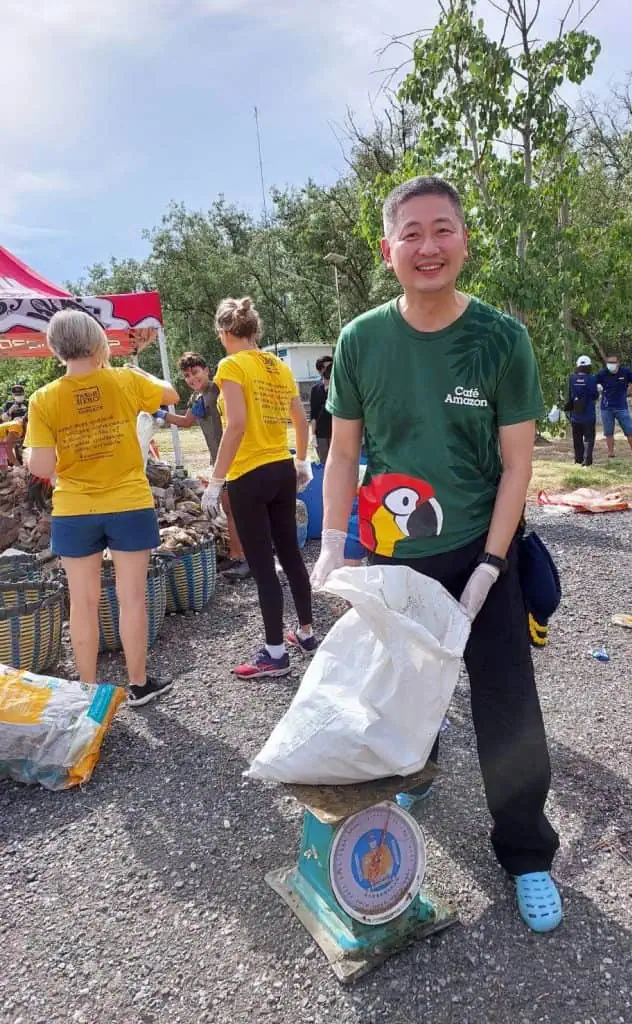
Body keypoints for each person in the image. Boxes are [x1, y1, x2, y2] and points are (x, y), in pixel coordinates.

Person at [310, 175, 562, 933]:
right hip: (396, 560)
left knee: (507, 706)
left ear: (463, 240)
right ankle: (409, 775)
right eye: (410, 233)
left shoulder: (499, 339)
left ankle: (527, 856)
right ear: (387, 248)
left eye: (442, 229)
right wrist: (329, 546)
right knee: (398, 692)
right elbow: (343, 452)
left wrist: (491, 566)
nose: (428, 246)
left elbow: (518, 465)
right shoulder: (361, 340)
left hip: (483, 552)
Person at [24, 310, 179, 706]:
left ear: (56, 349)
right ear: (98, 341)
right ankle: (138, 684)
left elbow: (41, 466)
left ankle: (87, 695)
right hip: (128, 502)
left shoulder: (44, 398)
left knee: (82, 602)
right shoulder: (125, 380)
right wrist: (137, 371)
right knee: (131, 597)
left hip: (74, 508)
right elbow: (171, 394)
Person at [201, 297, 317, 679]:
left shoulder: (231, 365)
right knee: (291, 553)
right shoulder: (279, 366)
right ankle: (305, 632)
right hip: (281, 467)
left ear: (224, 332)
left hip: (249, 474)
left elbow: (235, 424)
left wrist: (215, 482)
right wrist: (301, 460)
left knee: (263, 567)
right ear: (254, 330)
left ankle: (275, 654)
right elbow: (301, 418)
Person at [157, 352, 249, 580]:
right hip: (219, 460)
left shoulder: (219, 388)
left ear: (206, 370)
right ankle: (237, 555)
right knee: (230, 511)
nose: (192, 378)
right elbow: (186, 422)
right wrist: (157, 413)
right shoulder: (196, 399)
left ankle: (247, 560)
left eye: (195, 372)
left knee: (237, 511)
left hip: (236, 458)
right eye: (187, 375)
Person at [595, 353, 632, 457]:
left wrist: (629, 391)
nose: (610, 365)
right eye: (608, 363)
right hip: (606, 408)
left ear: (618, 363)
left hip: (621, 407)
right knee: (608, 431)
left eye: (613, 363)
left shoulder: (625, 372)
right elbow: (592, 382)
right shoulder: (602, 373)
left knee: (629, 429)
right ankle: (611, 453)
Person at [566, 355, 599, 467]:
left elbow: (569, 396)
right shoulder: (592, 379)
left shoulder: (571, 379)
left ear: (578, 366)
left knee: (577, 438)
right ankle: (587, 460)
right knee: (589, 438)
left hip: (576, 414)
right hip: (588, 414)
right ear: (589, 366)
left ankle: (578, 459)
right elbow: (595, 395)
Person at [309, 356, 333, 464]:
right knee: (324, 464)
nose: (330, 370)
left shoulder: (341, 387)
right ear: (320, 371)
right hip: (321, 434)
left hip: (336, 432)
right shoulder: (315, 389)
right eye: (327, 367)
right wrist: (313, 434)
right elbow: (313, 414)